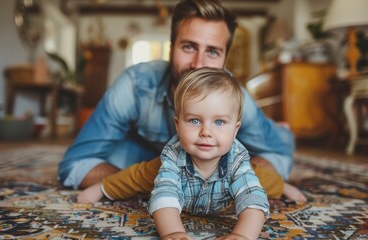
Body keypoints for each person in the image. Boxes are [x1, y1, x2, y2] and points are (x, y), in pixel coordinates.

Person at [60, 0, 306, 202]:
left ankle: (279, 129)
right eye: (189, 47)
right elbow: (75, 165)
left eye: (212, 51)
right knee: (117, 154)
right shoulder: (136, 85)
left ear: (224, 59)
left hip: (221, 149)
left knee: (279, 140)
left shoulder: (234, 94)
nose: (198, 64)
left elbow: (278, 157)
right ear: (171, 48)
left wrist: (241, 178)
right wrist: (144, 180)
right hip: (144, 153)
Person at [80, 67, 269, 240]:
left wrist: (243, 235)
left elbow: (252, 197)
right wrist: (173, 232)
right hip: (167, 173)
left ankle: (283, 185)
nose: (206, 132)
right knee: (137, 176)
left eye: (219, 122)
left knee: (264, 180)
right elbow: (164, 194)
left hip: (240, 175)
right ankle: (101, 187)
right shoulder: (171, 157)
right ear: (178, 125)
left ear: (235, 130)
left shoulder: (238, 160)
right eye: (195, 121)